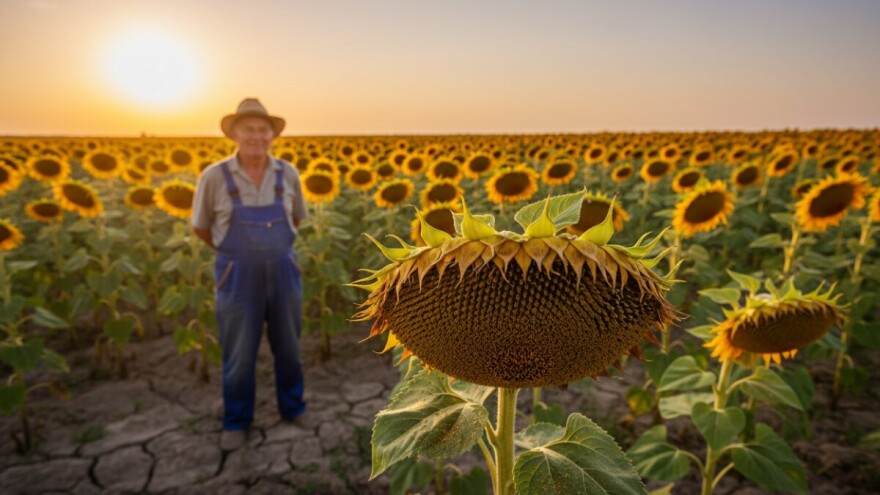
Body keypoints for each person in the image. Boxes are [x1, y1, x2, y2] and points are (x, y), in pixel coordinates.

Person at [191, 98, 309, 450]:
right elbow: (201, 227)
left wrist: (271, 248)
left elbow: (297, 218)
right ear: (235, 134)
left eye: (263, 130)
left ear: (272, 134)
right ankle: (236, 420)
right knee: (239, 351)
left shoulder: (287, 174)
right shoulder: (214, 176)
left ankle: (293, 407)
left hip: (283, 268)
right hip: (237, 271)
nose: (257, 136)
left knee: (289, 346)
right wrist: (233, 254)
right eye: (249, 129)